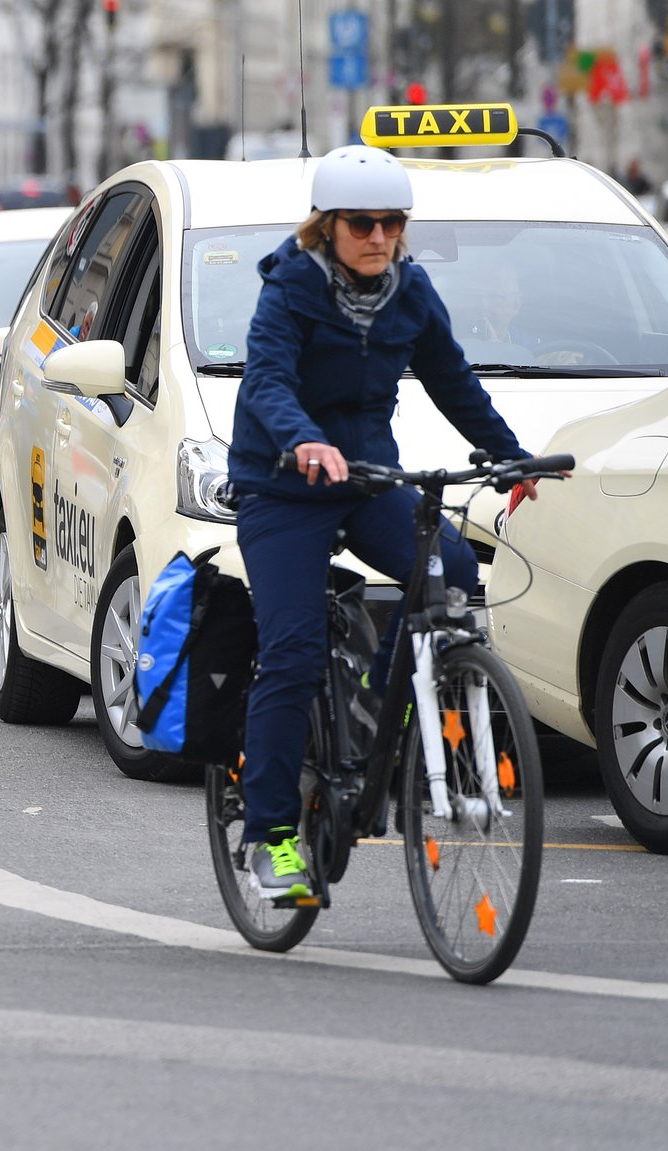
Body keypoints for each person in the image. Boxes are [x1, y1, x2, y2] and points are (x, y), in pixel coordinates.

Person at [229, 145, 537, 901]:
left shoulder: (411, 292)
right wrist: (302, 439)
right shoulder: (292, 288)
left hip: (367, 478)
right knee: (293, 651)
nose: (378, 236)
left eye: (392, 223)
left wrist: (511, 456)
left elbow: (452, 379)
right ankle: (270, 837)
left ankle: (376, 687)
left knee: (455, 572)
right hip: (282, 487)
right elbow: (266, 376)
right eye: (362, 222)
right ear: (327, 225)